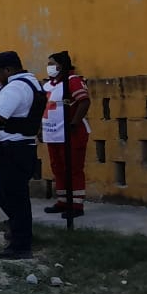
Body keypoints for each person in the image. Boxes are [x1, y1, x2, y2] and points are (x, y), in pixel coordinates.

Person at [0, 51, 44, 260]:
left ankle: (20, 244)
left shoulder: (14, 86)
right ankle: (19, 235)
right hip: (23, 146)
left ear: (8, 70)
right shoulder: (31, 83)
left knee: (11, 198)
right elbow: (19, 110)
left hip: (12, 148)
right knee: (16, 197)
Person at [41, 50, 91, 220]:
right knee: (58, 167)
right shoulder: (49, 85)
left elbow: (84, 101)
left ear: (61, 65)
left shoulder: (73, 81)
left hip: (71, 132)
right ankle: (63, 201)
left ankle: (76, 204)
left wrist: (74, 122)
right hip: (52, 133)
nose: (49, 67)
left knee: (73, 168)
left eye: (51, 64)